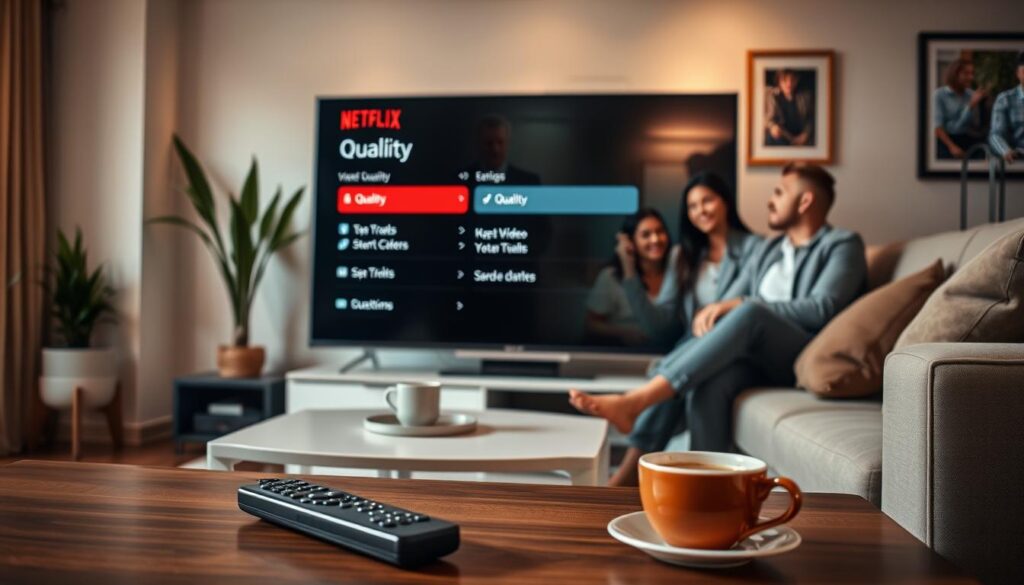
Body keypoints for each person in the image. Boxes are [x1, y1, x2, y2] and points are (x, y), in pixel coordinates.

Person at [570, 163, 866, 487]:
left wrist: (738, 305)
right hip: (752, 357)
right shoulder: (769, 249)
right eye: (692, 206)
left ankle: (638, 401)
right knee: (708, 382)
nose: (771, 200)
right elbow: (724, 304)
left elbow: (822, 307)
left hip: (796, 353)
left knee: (749, 312)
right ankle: (702, 491)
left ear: (805, 202)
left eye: (780, 192)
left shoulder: (841, 244)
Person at [585, 209, 676, 346]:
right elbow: (591, 324)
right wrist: (624, 332)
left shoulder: (676, 273)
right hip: (626, 353)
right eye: (646, 235)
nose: (655, 239)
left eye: (660, 232)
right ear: (631, 241)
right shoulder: (611, 277)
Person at [934, 58, 987, 159]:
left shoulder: (971, 94)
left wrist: (981, 105)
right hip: (946, 141)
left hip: (967, 138)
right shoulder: (939, 95)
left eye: (972, 74)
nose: (971, 77)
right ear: (955, 74)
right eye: (966, 74)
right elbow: (937, 128)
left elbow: (976, 126)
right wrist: (952, 147)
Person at [465, 114, 541, 185]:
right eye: (489, 143)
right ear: (478, 143)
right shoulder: (459, 179)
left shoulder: (529, 181)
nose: (495, 149)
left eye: (500, 142)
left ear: (508, 143)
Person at [989, 51, 1024, 164]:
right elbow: (996, 134)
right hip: (1016, 160)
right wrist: (1005, 150)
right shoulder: (1005, 99)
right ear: (1018, 73)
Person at [765, 69, 814, 147]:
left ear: (797, 80)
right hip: (783, 137)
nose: (789, 83)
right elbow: (767, 118)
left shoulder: (806, 96)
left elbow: (811, 118)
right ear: (779, 82)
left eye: (792, 79)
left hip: (802, 137)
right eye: (785, 80)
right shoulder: (772, 96)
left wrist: (806, 134)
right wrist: (772, 126)